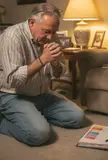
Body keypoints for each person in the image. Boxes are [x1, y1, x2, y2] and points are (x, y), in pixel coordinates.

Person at [0, 3, 84, 146]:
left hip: (42, 93)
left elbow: (58, 73)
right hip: (13, 95)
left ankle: (32, 116)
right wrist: (42, 60)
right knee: (39, 135)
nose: (50, 36)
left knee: (77, 117)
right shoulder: (12, 36)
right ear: (32, 23)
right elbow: (13, 80)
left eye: (54, 32)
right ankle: (3, 121)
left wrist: (56, 62)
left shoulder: (51, 36)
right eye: (46, 31)